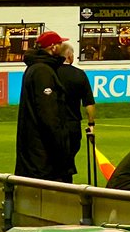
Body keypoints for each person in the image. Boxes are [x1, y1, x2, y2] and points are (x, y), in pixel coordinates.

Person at [15, 31, 73, 182]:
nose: (62, 46)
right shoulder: (42, 71)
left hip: (36, 150)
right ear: (53, 47)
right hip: (42, 154)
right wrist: (61, 146)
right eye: (60, 43)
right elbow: (48, 114)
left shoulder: (36, 68)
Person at [57, 42, 96, 181]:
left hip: (53, 124)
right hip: (72, 125)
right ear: (69, 56)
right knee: (68, 159)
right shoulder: (79, 74)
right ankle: (67, 186)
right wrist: (91, 124)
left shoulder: (50, 72)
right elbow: (89, 104)